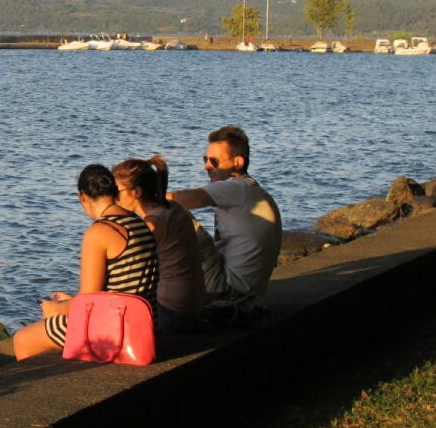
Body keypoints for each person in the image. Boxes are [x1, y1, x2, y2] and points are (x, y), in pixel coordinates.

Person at [14, 164, 158, 360]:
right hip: (146, 323)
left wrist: (55, 309)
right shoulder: (137, 222)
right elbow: (119, 284)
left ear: (82, 197)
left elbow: (89, 300)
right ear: (114, 191)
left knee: (23, 339)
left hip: (114, 328)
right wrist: (72, 301)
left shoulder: (100, 231)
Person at [168, 125, 282, 314]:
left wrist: (134, 202)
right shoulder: (251, 190)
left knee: (173, 214)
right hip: (249, 296)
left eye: (214, 161)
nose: (206, 166)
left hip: (230, 293)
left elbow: (175, 199)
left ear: (237, 162)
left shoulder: (236, 187)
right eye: (205, 159)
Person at [113, 156, 206, 332]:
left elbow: (131, 268)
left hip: (172, 311)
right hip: (194, 304)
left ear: (136, 192)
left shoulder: (153, 223)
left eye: (116, 191)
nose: (113, 198)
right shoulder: (173, 207)